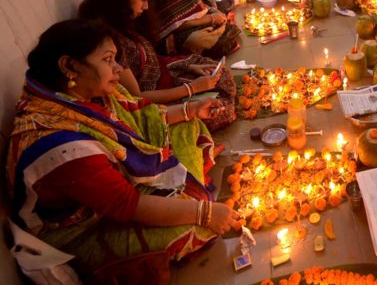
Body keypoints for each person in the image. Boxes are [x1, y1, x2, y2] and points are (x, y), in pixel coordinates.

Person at [7, 19, 239, 277]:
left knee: (188, 126)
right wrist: (205, 214)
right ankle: (191, 187)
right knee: (194, 228)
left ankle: (186, 186)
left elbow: (142, 115)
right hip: (87, 227)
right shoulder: (60, 145)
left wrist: (190, 109)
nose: (118, 69)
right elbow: (128, 205)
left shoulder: (86, 95)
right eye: (108, 60)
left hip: (119, 183)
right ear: (69, 66)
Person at [78, 0, 237, 131]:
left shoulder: (123, 20)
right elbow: (137, 97)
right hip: (152, 100)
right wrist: (192, 88)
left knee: (222, 75)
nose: (146, 7)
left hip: (164, 74)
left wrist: (190, 68)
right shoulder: (106, 40)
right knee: (219, 110)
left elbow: (149, 58)